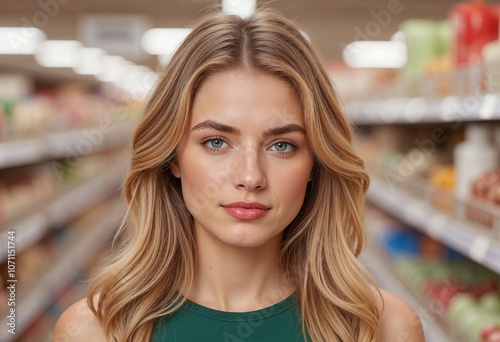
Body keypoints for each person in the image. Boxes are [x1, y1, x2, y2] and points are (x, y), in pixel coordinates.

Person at [53, 6, 425, 342]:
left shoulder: (383, 327)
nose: (250, 177)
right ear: (173, 157)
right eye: (216, 142)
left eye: (282, 145)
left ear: (316, 163)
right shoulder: (95, 329)